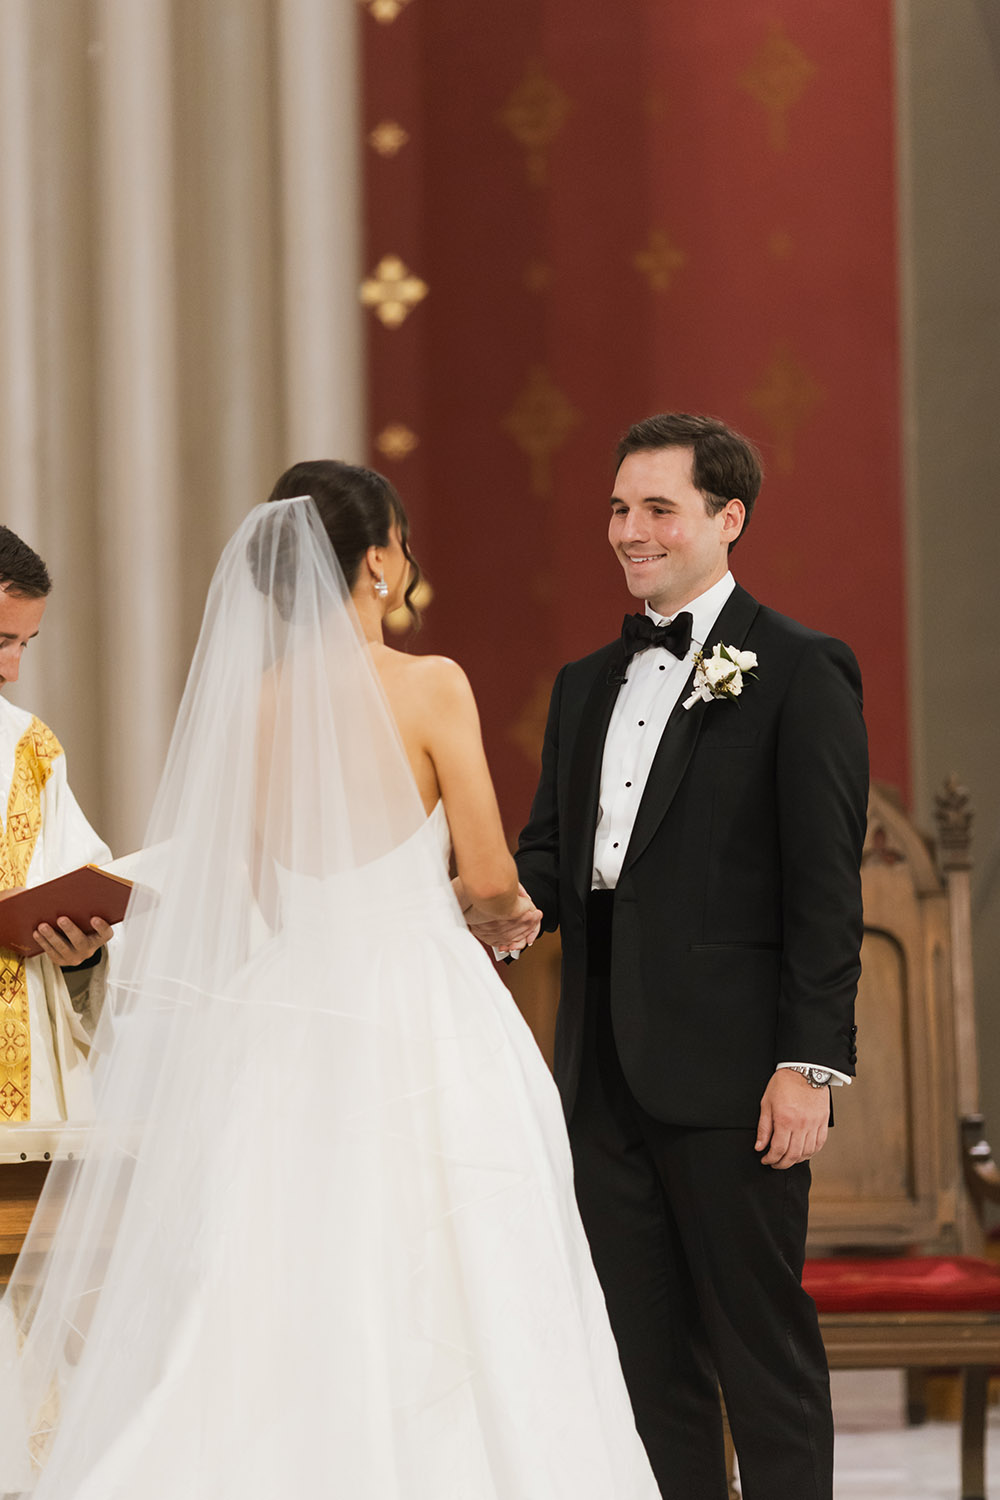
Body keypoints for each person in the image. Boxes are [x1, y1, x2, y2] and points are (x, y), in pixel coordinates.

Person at [0, 465, 660, 1500]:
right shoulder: (430, 684)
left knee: (289, 1275)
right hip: (421, 1004)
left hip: (288, 1012)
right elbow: (487, 875)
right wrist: (506, 917)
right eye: (398, 544)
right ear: (379, 563)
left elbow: (256, 892)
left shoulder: (252, 708)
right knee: (470, 1266)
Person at [467, 414, 869, 1500]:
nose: (628, 531)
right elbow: (550, 860)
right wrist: (492, 912)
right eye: (616, 508)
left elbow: (826, 893)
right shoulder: (584, 682)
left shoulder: (798, 670)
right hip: (598, 1075)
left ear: (726, 520)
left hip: (737, 1078)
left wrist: (807, 1064)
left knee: (760, 1355)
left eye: (656, 510)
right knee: (647, 1366)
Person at [0, 526, 113, 1161]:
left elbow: (76, 894)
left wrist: (82, 956)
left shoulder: (30, 750)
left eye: (24, 645)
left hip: (29, 1097)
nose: (10, 671)